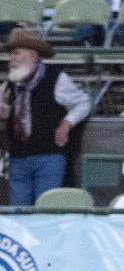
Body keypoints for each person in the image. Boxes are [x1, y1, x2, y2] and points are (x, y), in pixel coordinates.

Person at [0, 28, 91, 204]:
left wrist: (67, 123)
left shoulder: (56, 78)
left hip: (49, 155)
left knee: (47, 207)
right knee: (19, 210)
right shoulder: (10, 83)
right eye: (12, 54)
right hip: (17, 155)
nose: (12, 59)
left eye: (17, 53)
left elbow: (83, 102)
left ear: (32, 54)